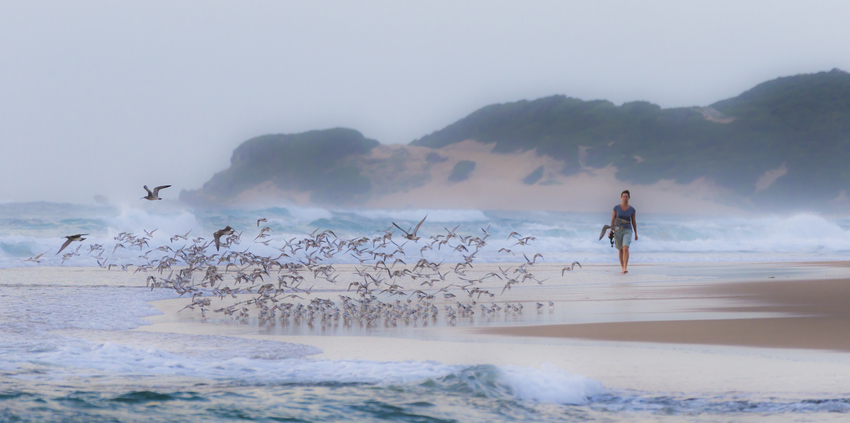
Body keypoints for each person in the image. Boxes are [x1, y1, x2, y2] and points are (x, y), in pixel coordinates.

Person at [609, 190, 638, 274]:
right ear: (621, 197)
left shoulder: (632, 209)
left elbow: (634, 221)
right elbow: (612, 219)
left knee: (625, 248)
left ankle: (625, 267)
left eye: (626, 196)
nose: (625, 198)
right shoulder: (616, 208)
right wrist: (611, 230)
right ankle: (622, 267)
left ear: (629, 198)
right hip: (617, 230)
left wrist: (636, 233)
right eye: (623, 196)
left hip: (627, 230)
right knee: (620, 250)